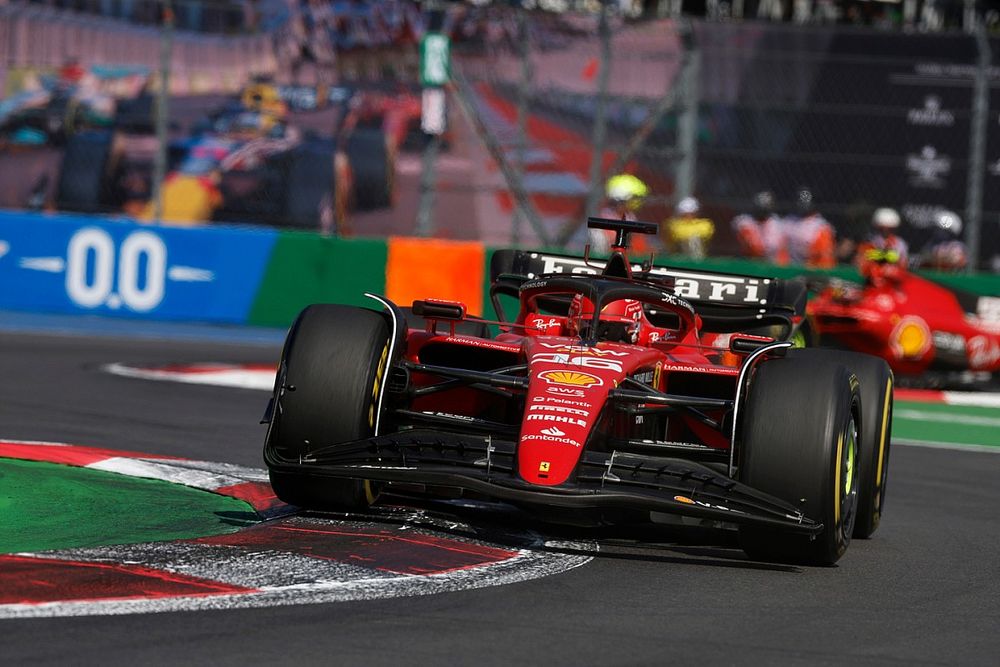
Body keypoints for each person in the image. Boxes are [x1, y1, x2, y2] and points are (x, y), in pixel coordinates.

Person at [591, 173, 650, 255]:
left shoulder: (630, 217)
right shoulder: (605, 219)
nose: (637, 202)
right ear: (621, 199)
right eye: (634, 198)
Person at [731, 190, 789, 265]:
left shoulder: (777, 224)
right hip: (750, 261)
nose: (762, 210)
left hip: (772, 263)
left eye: (766, 207)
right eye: (760, 206)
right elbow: (756, 248)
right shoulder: (744, 221)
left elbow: (777, 249)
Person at [856, 207, 909, 287]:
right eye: (882, 228)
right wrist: (887, 255)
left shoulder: (900, 243)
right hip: (872, 280)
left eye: (889, 229)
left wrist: (889, 257)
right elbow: (864, 256)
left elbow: (901, 262)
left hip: (892, 280)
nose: (886, 231)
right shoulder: (870, 240)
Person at [786, 187, 836, 268]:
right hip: (791, 266)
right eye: (800, 200)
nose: (803, 204)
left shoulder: (821, 226)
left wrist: (809, 252)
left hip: (813, 268)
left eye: (806, 201)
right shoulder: (789, 220)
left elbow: (824, 253)